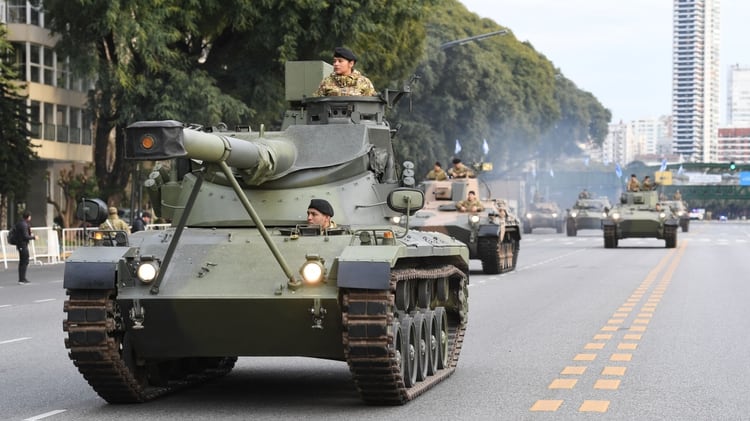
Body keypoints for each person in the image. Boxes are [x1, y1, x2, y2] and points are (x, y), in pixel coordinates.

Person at [14, 211, 38, 284]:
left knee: (23, 261)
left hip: (20, 244)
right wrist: (33, 237)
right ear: (28, 217)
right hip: (22, 245)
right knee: (24, 261)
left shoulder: (21, 223)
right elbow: (25, 236)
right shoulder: (24, 224)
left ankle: (22, 278)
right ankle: (21, 279)